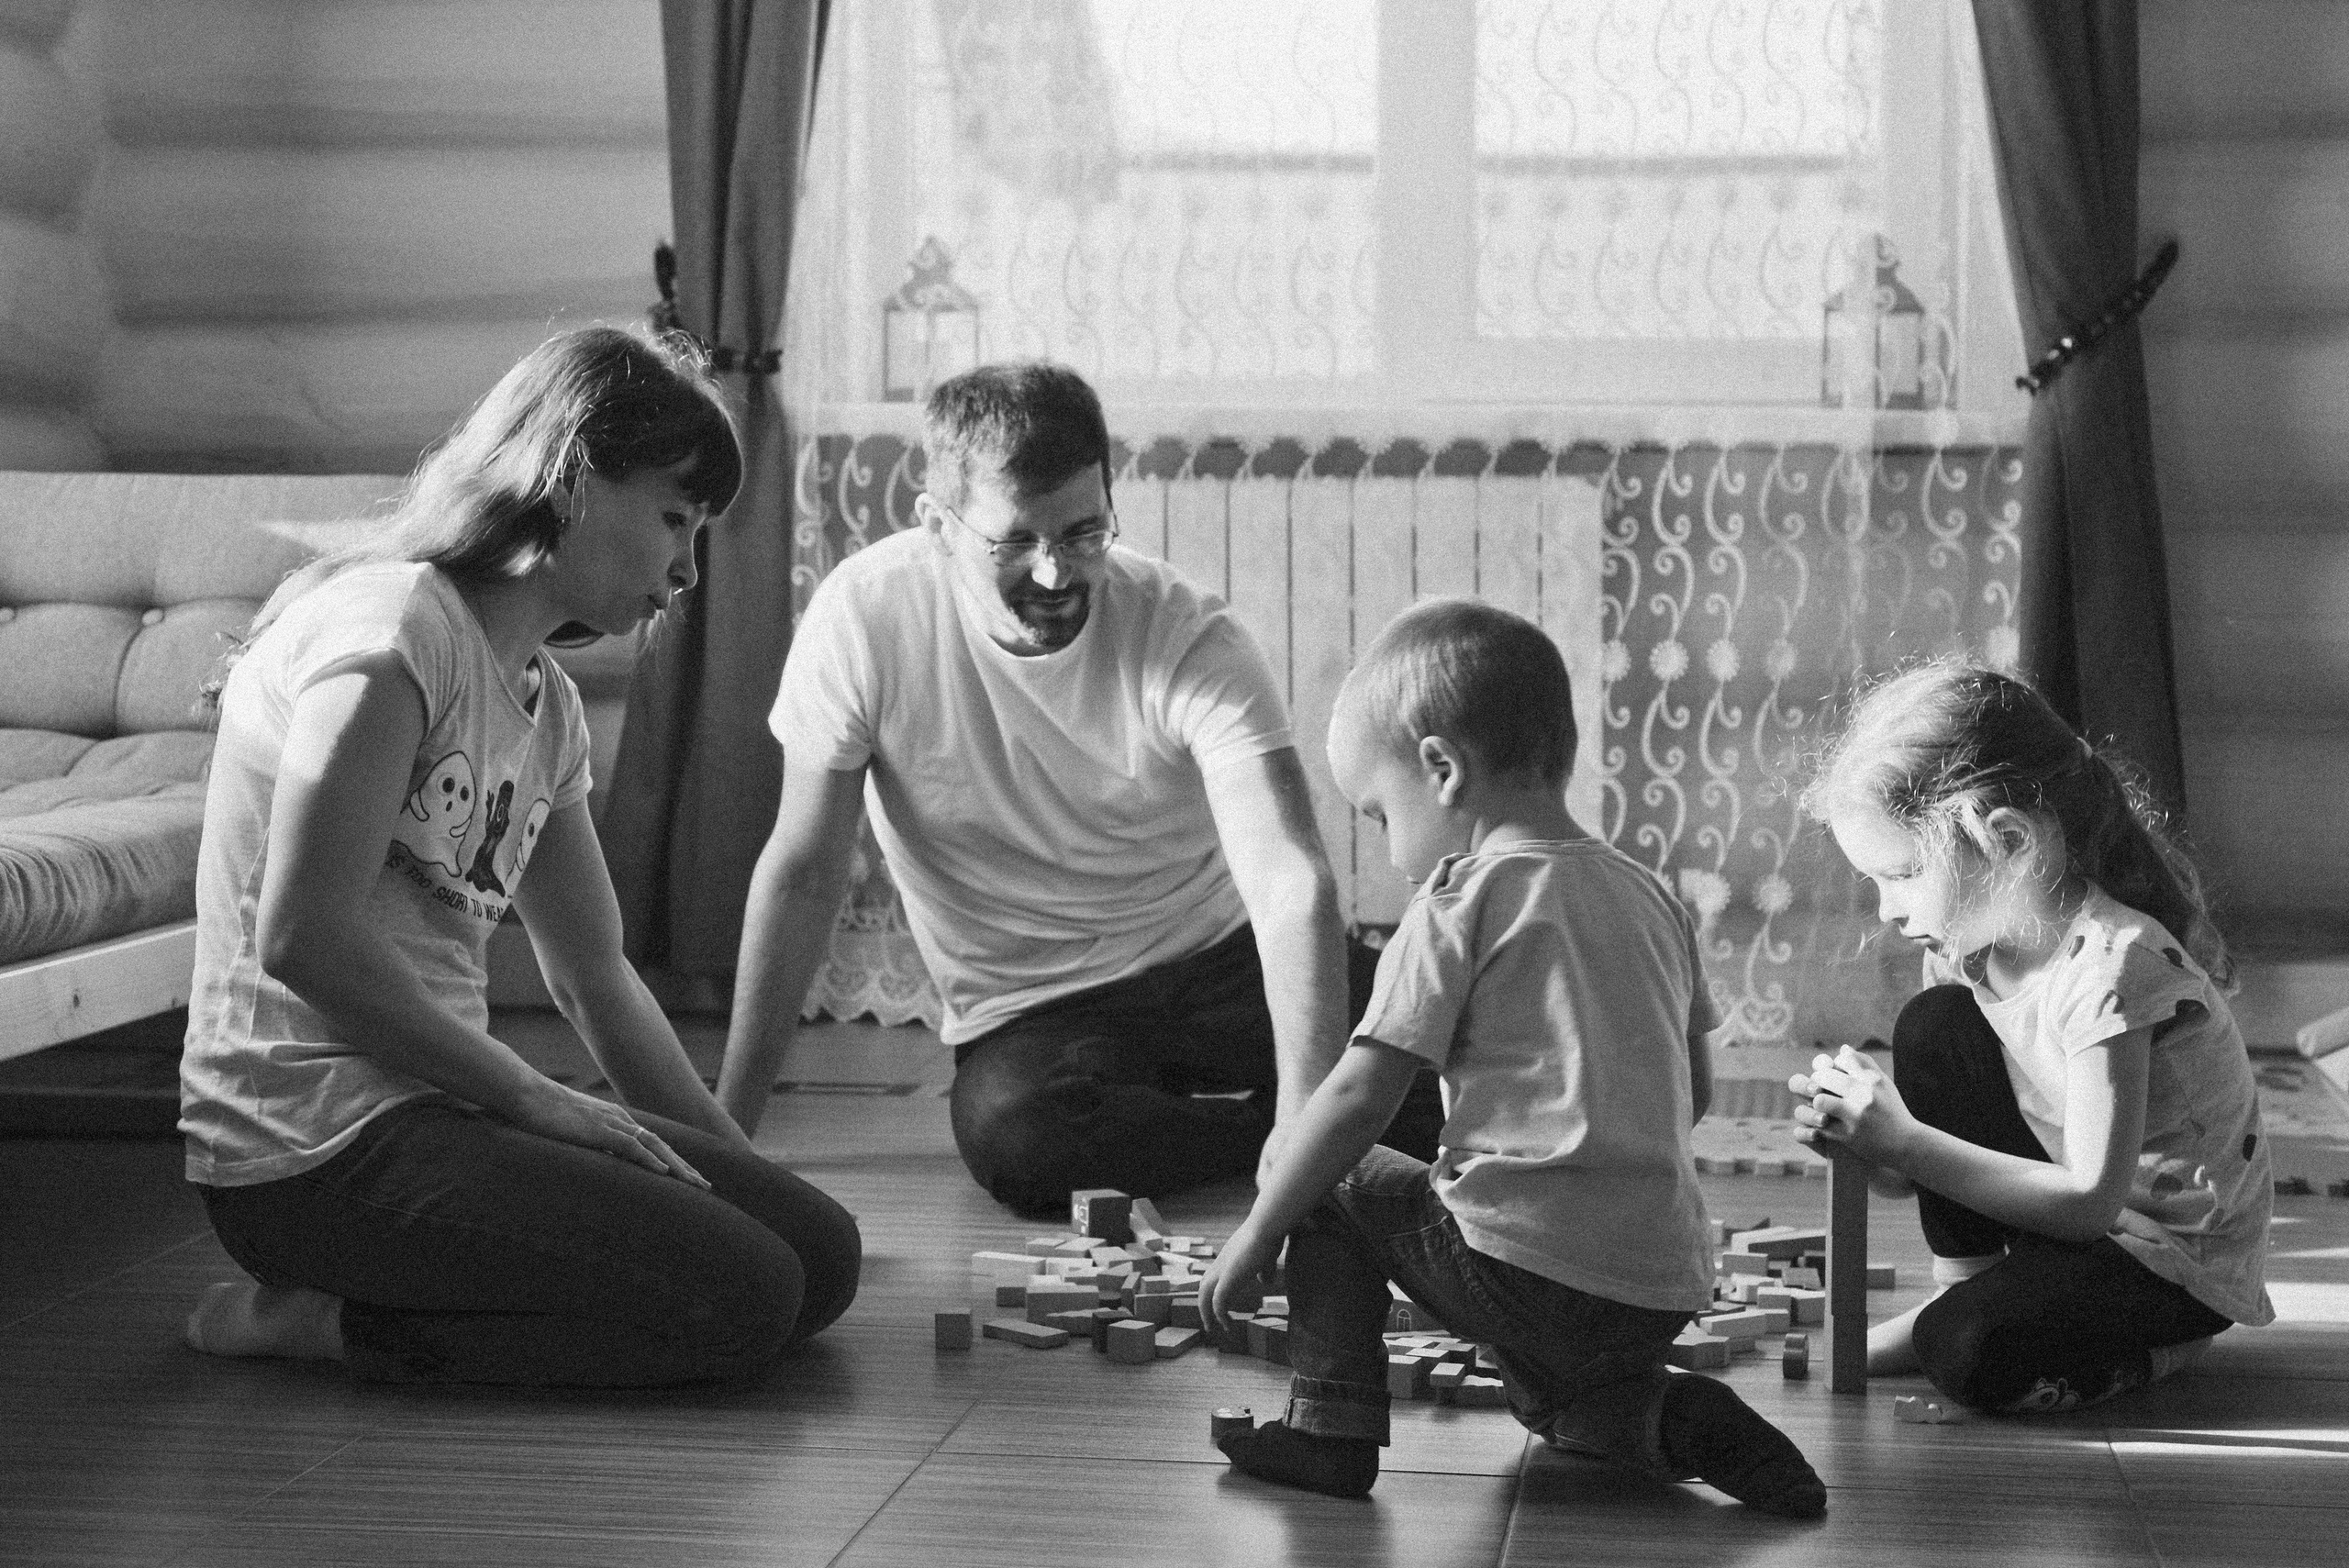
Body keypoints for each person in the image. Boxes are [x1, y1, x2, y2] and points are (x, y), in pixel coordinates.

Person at [179, 326, 861, 1386]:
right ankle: (317, 1321)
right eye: (676, 519)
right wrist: (537, 1098)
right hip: (305, 1149)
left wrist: (731, 1165)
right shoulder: (390, 635)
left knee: (817, 1257)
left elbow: (592, 974)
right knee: (744, 1299)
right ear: (578, 475)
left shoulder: (544, 707)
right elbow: (304, 937)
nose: (687, 569)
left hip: (440, 1108)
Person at [722, 361, 1437, 1214]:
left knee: (1451, 1066)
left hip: (1215, 956)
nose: (1057, 573)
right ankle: (1291, 1135)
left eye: (1083, 533)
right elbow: (802, 872)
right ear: (938, 527)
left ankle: (1299, 1125)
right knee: (1019, 1141)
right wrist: (726, 1132)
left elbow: (1290, 881)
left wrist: (1308, 1112)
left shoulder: (1185, 631)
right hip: (1033, 1009)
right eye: (1016, 542)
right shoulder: (864, 618)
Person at [1198, 598, 1827, 1517]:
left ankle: (1328, 1428)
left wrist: (1260, 1227)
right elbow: (1690, 1090)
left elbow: (1357, 1097)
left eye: (1378, 814)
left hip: (1523, 1268)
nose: (1385, 845)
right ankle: (1673, 1417)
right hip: (1659, 1280)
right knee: (1559, 1401)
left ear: (1441, 769)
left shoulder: (1459, 902)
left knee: (1331, 1179)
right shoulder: (1649, 894)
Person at [1793, 661, 2272, 1414]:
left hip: (2171, 1261)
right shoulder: (1967, 947)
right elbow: (1933, 1167)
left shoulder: (2114, 968)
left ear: (2008, 840)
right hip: (2080, 1223)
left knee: (1971, 1352)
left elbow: (2086, 1200)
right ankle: (1969, 1292)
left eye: (1904, 872)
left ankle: (2150, 1344)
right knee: (1934, 1027)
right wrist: (1873, 1148)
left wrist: (1907, 1141)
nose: (1886, 906)